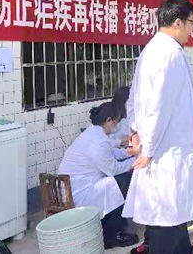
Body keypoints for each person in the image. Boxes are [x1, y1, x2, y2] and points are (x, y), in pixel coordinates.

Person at [123, 0, 193, 254]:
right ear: (178, 23)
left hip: (162, 149)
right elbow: (158, 108)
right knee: (166, 221)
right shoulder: (169, 54)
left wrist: (135, 131)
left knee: (173, 218)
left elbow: (134, 99)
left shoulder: (151, 50)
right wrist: (148, 148)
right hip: (166, 154)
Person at [58, 101, 138, 249]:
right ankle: (111, 235)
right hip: (78, 193)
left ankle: (116, 225)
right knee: (118, 181)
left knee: (115, 180)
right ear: (108, 120)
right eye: (116, 122)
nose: (116, 126)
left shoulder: (93, 133)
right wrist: (136, 161)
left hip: (78, 185)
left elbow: (111, 153)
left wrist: (130, 153)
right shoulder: (98, 141)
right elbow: (113, 169)